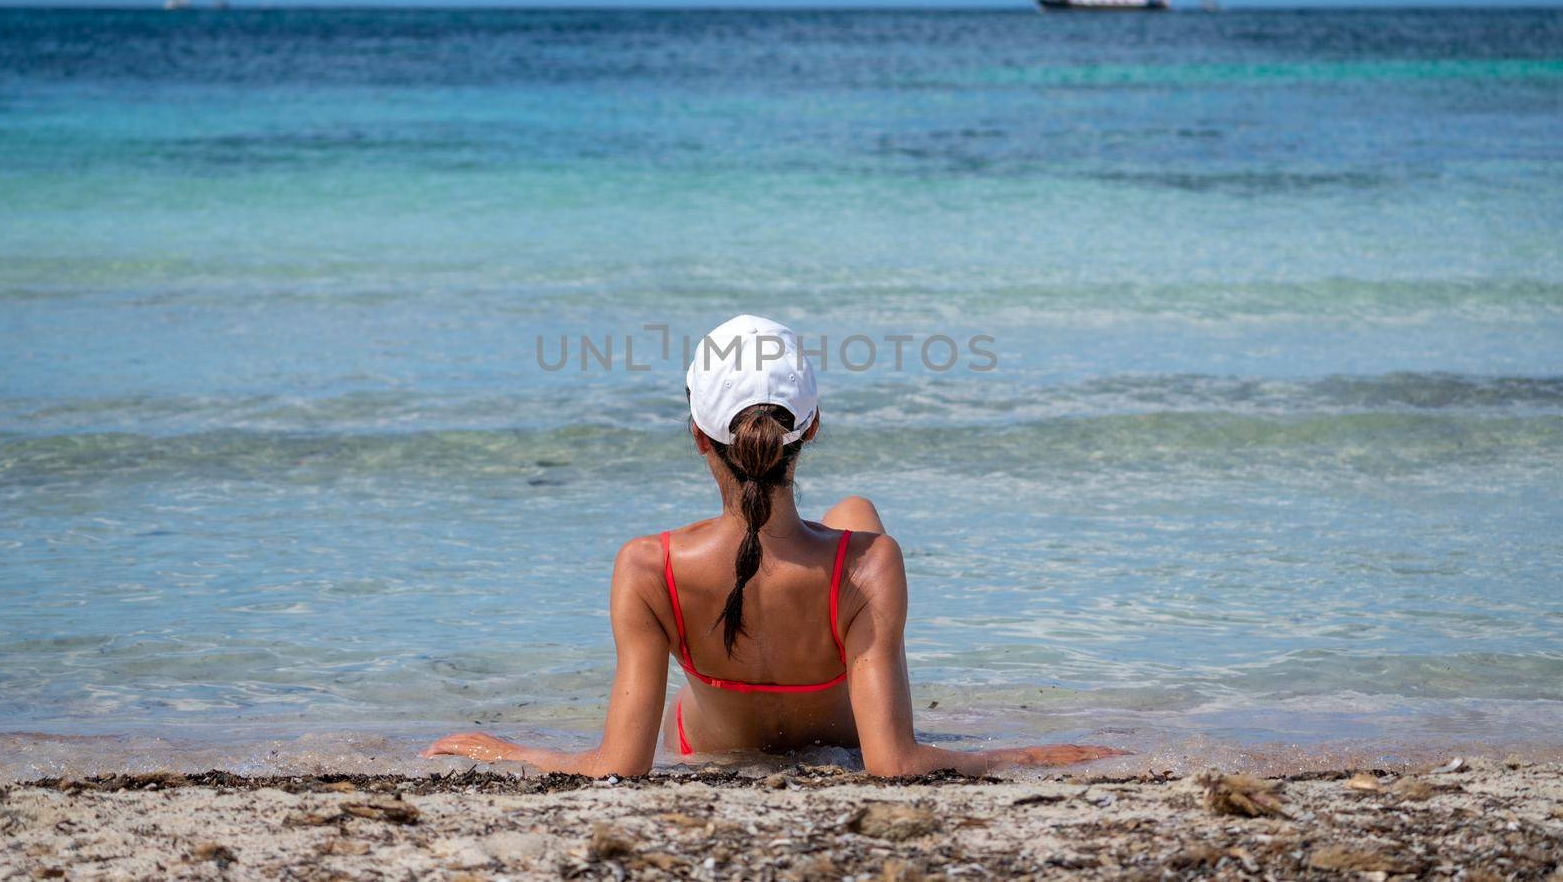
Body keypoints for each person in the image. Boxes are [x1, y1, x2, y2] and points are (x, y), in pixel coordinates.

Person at [425, 315, 1127, 776]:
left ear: (699, 435)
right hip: (846, 719)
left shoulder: (647, 568)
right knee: (856, 519)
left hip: (711, 744)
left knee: (846, 518)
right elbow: (893, 762)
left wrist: (504, 749)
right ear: (811, 426)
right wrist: (1030, 753)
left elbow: (617, 764)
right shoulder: (873, 565)